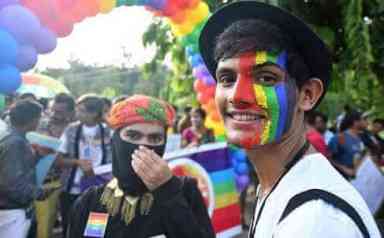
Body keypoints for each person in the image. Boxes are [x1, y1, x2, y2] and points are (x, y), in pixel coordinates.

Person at [199, 1, 380, 237]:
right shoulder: (277, 186)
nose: (237, 96)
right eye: (226, 78)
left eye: (265, 78)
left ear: (307, 95)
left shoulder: (316, 221)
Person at [66, 95, 215, 238]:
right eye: (133, 136)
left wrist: (168, 191)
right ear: (116, 141)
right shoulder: (92, 201)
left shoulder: (185, 191)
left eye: (155, 138)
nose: (142, 146)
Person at [56, 94, 112, 237]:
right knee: (70, 227)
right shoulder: (71, 130)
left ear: (93, 113)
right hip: (71, 190)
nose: (77, 113)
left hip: (100, 190)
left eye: (81, 110)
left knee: (95, 230)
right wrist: (77, 162)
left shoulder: (108, 131)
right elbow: (59, 160)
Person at [0, 100, 53, 238]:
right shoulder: (15, 143)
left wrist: (37, 157)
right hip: (12, 212)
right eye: (39, 118)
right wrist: (40, 193)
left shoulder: (14, 139)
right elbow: (12, 184)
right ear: (33, 120)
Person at [33, 93, 76, 238]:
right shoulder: (40, 124)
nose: (54, 114)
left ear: (71, 112)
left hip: (70, 184)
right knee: (43, 227)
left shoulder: (76, 129)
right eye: (53, 110)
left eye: (60, 112)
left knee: (70, 222)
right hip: (44, 181)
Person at [329, 110, 366, 179]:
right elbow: (328, 158)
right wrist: (345, 169)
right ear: (355, 122)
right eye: (364, 119)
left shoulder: (360, 137)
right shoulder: (340, 137)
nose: (367, 122)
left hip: (357, 180)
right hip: (342, 180)